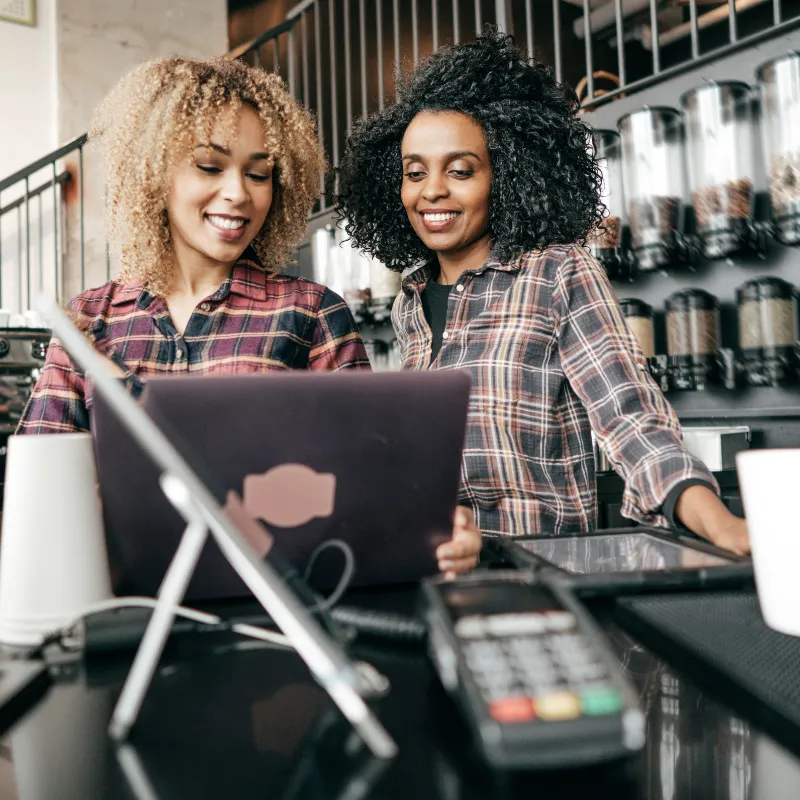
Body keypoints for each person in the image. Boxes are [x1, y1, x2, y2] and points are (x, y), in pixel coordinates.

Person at [17, 56, 481, 574]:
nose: (239, 193)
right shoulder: (89, 322)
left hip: (279, 610)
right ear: (154, 171)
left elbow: (373, 485)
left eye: (259, 173)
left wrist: (435, 530)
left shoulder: (310, 312)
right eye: (210, 166)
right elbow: (38, 500)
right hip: (120, 616)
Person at [335, 30, 749, 555]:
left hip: (540, 581)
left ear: (506, 175)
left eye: (461, 171)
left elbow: (632, 419)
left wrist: (722, 527)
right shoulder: (410, 303)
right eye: (414, 173)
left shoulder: (557, 273)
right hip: (435, 577)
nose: (431, 190)